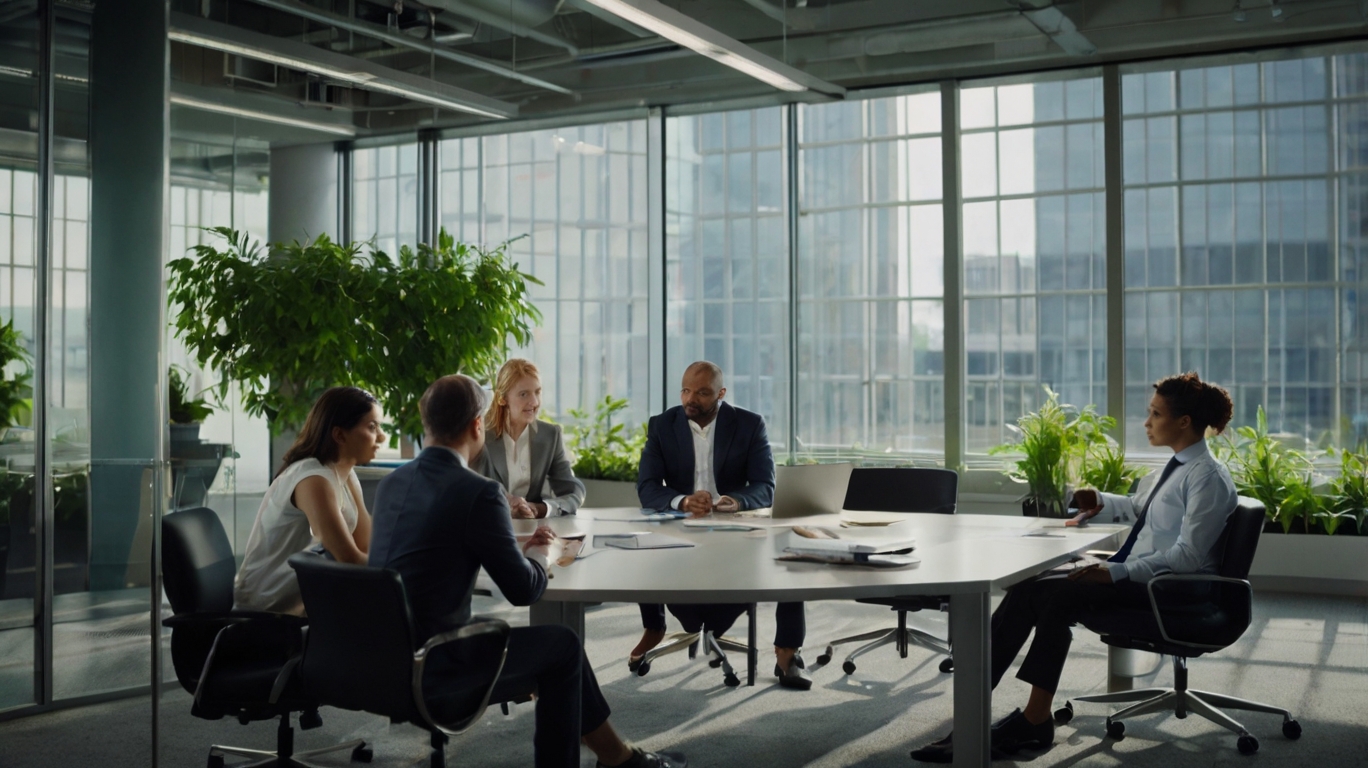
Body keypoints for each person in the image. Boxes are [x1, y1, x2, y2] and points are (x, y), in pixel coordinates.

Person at [910, 372, 1238, 763]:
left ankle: (1033, 720)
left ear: (1184, 422)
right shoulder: (1172, 468)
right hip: (1147, 574)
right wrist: (1099, 498)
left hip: (1173, 589)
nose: (1146, 422)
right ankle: (976, 707)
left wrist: (1114, 572)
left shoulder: (1208, 479)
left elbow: (1188, 557)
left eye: (1155, 414)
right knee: (1031, 585)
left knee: (1057, 594)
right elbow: (1139, 511)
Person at [368, 374, 686, 768]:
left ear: (426, 422)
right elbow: (525, 590)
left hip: (381, 660)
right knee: (563, 645)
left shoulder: (392, 484)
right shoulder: (477, 491)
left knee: (555, 646)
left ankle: (620, 759)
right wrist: (545, 552)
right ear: (475, 426)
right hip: (439, 665)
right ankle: (616, 760)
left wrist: (509, 543)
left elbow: (436, 547)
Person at [632, 361, 811, 690]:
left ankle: (788, 651)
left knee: (789, 551)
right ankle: (654, 627)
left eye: (701, 393)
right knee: (644, 544)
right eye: (686, 390)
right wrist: (683, 501)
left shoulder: (748, 424)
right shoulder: (662, 425)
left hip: (734, 530)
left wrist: (736, 500)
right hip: (681, 528)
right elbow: (647, 486)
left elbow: (764, 485)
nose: (691, 399)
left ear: (721, 394)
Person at [233, 386, 384, 614]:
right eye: (372, 427)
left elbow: (365, 544)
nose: (381, 436)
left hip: (307, 605)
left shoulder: (345, 473)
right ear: (339, 435)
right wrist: (405, 567)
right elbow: (349, 559)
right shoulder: (313, 478)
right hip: (269, 611)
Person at [473, 358, 586, 518]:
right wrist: (507, 502)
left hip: (533, 529)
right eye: (523, 394)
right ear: (502, 398)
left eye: (537, 392)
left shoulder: (550, 436)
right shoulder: (479, 435)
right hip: (488, 527)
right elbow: (471, 488)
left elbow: (574, 491)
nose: (534, 402)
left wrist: (541, 509)